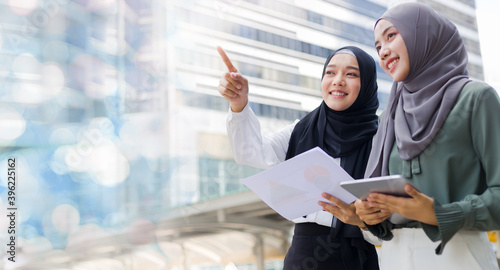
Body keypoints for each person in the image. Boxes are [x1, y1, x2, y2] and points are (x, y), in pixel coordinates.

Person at [353, 2, 500, 270]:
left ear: (423, 35)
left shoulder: (476, 98)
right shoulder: (391, 116)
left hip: (459, 255)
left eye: (391, 35)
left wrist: (441, 214)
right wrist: (369, 215)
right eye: (377, 46)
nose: (383, 51)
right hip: (395, 257)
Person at [217, 45, 380, 269]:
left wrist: (360, 221)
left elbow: (391, 225)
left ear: (368, 85)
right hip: (302, 255)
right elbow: (250, 153)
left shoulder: (381, 139)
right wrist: (239, 104)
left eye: (351, 74)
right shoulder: (301, 130)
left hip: (356, 254)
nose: (338, 80)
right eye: (330, 72)